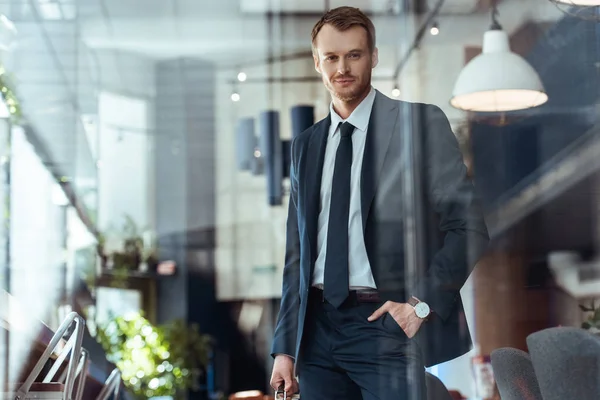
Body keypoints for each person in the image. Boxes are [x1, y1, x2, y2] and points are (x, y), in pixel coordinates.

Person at [269, 6, 489, 400]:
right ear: (317, 62)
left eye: (354, 54)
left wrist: (418, 306)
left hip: (385, 324)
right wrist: (285, 346)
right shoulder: (306, 145)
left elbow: (468, 228)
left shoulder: (418, 126)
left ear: (373, 56)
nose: (343, 67)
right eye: (332, 57)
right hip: (316, 334)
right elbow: (296, 256)